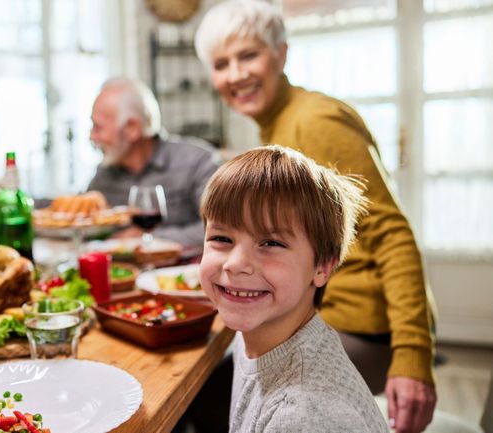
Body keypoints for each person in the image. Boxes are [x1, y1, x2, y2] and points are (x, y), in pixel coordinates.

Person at [194, 2, 437, 432]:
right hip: (317, 308)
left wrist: (413, 354)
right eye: (221, 64)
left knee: (204, 393)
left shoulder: (316, 121)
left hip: (362, 327)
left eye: (248, 56)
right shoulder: (276, 126)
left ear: (281, 54)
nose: (235, 74)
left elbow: (392, 232)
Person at [200, 145, 386, 432]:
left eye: (271, 243)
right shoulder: (256, 332)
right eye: (221, 238)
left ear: (323, 267)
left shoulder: (300, 417)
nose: (235, 264)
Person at [87, 77, 220, 248]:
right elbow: (81, 224)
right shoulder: (105, 172)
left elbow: (223, 229)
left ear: (132, 128)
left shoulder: (198, 162)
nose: (92, 137)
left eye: (98, 127)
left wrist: (148, 239)